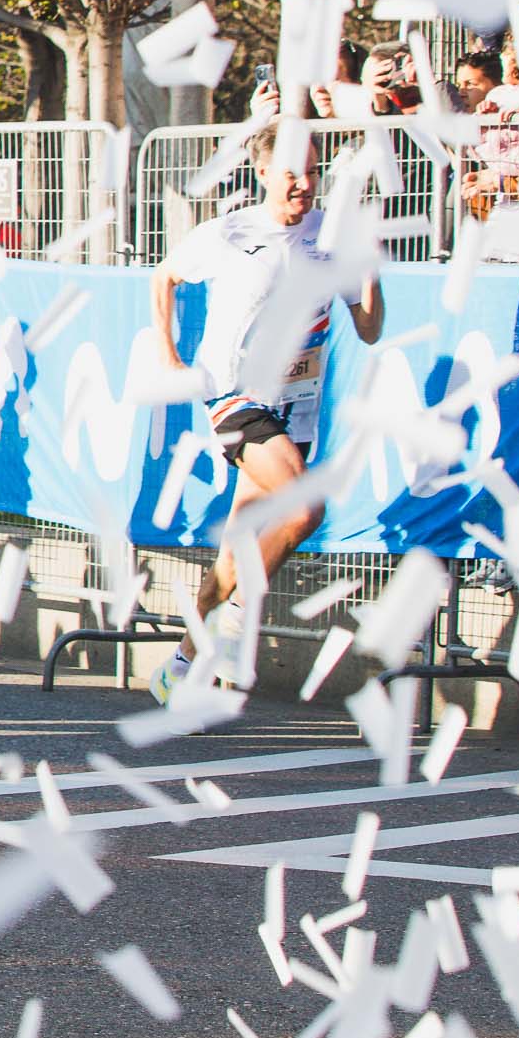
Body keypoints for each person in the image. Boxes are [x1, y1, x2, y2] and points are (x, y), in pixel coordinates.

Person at [148, 119, 384, 699]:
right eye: (290, 174)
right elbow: (166, 275)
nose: (303, 184)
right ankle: (235, 620)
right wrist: (169, 353)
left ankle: (176, 668)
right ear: (261, 173)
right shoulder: (230, 232)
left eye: (310, 172)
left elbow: (371, 329)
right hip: (235, 395)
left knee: (232, 557)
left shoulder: (333, 237)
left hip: (295, 407)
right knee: (306, 509)